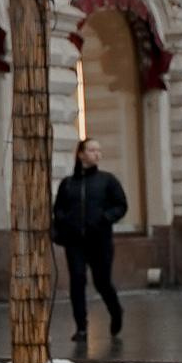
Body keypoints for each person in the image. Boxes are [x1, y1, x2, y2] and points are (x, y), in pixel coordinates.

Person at [52, 136, 128, 348]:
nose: (97, 154)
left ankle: (115, 311)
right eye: (92, 150)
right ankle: (81, 327)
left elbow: (121, 205)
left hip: (100, 240)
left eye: (98, 151)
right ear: (81, 153)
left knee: (102, 281)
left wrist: (105, 218)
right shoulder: (68, 183)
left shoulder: (107, 180)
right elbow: (58, 208)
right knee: (77, 281)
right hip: (75, 241)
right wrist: (64, 221)